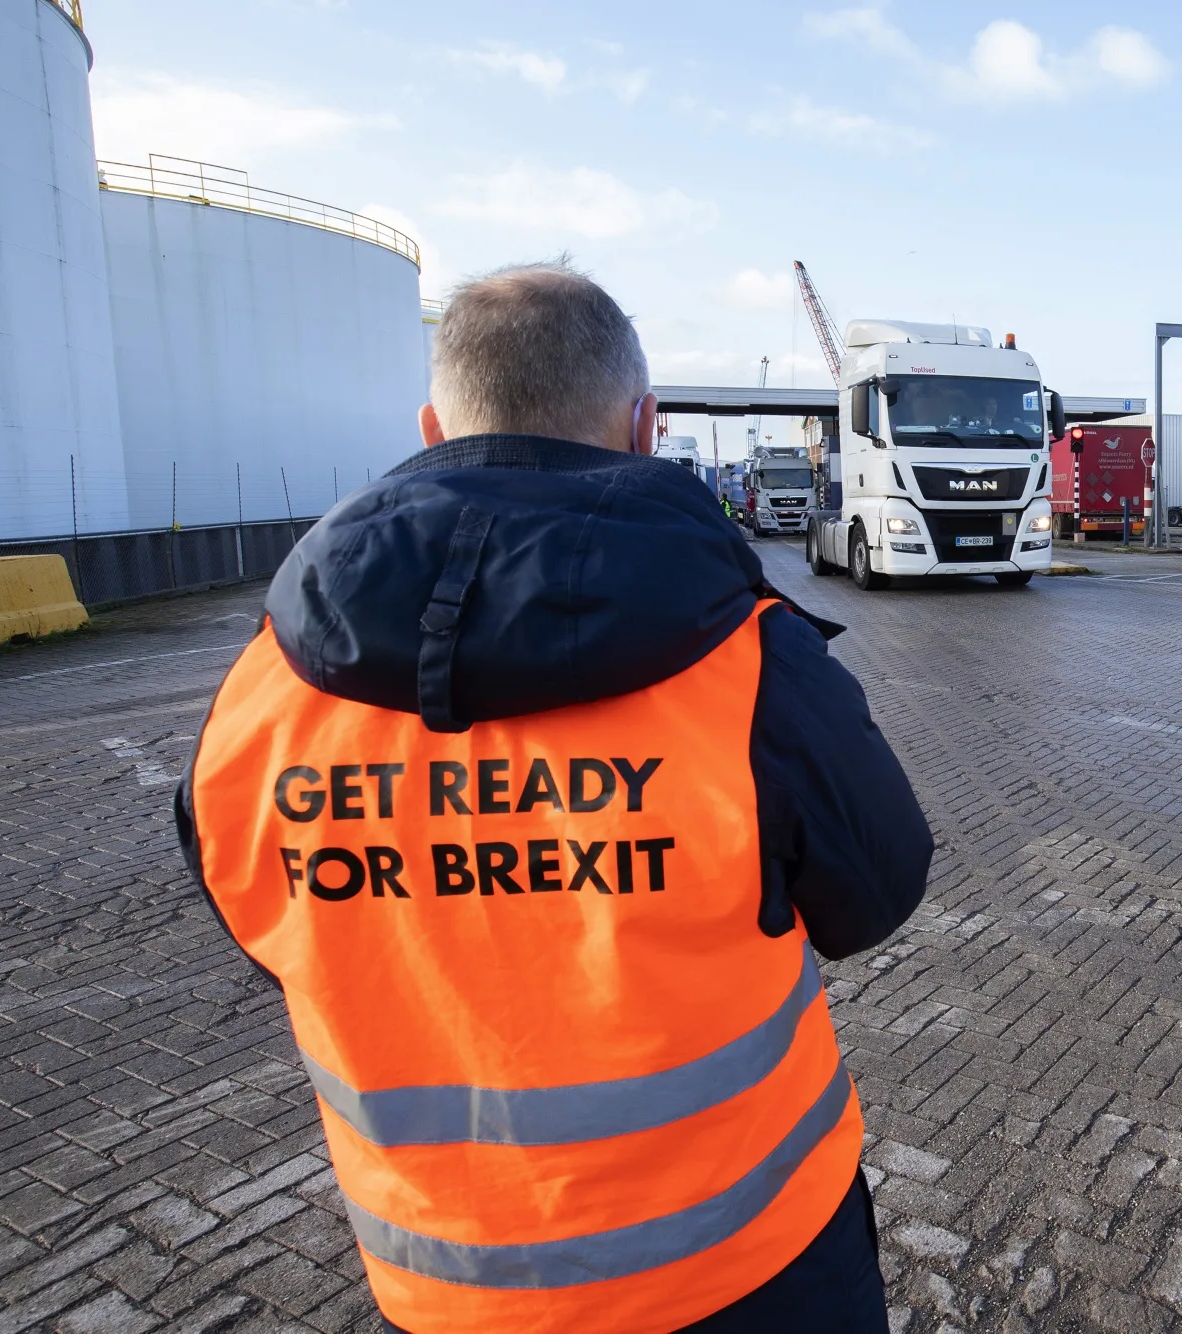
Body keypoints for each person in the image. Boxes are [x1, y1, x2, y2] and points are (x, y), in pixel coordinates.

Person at [175, 261, 931, 1333]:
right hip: (755, 1265)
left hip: (449, 1288)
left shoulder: (265, 687)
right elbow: (877, 890)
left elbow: (261, 920)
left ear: (435, 425)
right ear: (644, 425)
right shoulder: (752, 662)